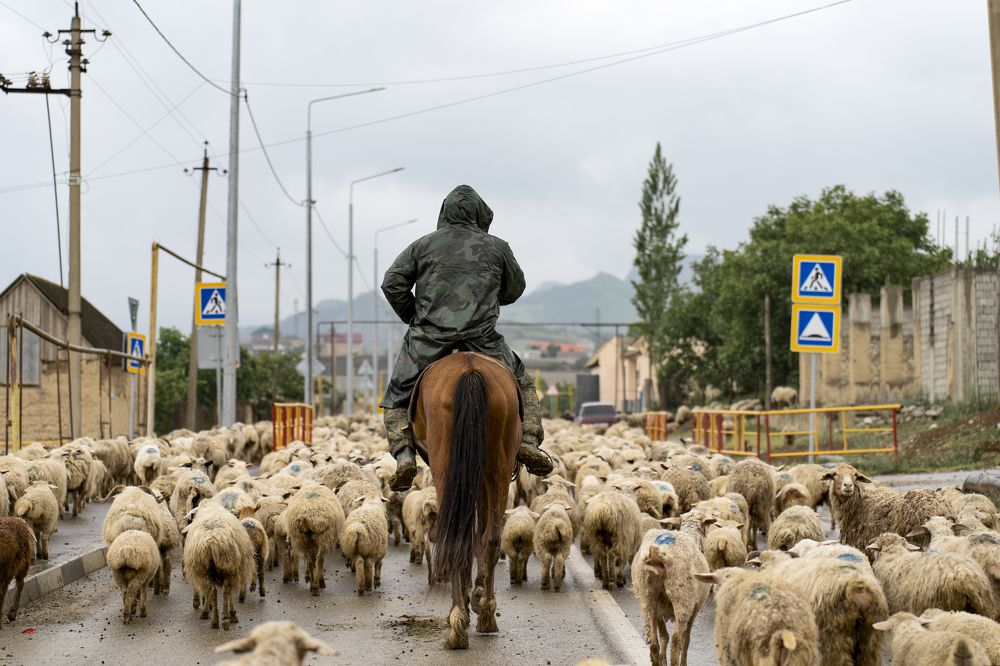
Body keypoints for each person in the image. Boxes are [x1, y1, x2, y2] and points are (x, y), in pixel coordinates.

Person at [379, 184, 554, 491]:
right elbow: (515, 289)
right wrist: (487, 295)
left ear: (445, 212)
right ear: (478, 214)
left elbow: (392, 283)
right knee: (523, 382)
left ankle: (405, 455)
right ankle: (528, 441)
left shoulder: (422, 245)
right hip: (483, 339)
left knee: (397, 395)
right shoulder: (497, 246)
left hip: (427, 340)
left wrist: (416, 318)